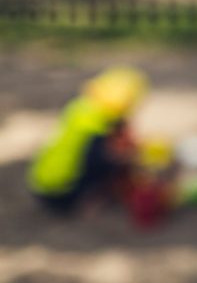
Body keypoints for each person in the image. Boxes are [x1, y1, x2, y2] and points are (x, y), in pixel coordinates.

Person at [29, 67, 147, 214]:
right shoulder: (99, 128)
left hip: (40, 182)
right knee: (115, 161)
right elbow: (105, 159)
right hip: (61, 193)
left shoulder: (80, 108)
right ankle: (90, 200)